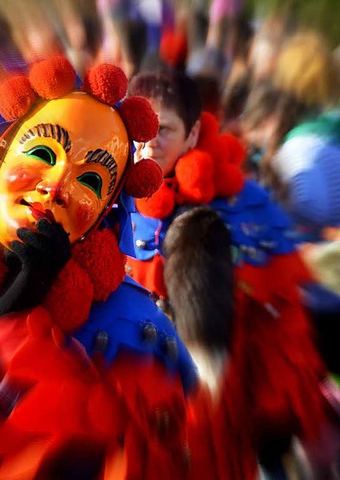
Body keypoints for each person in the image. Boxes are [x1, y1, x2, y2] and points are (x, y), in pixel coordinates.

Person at [0, 56, 197, 479]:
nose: (57, 184)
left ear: (103, 214)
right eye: (44, 152)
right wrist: (22, 292)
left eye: (91, 180)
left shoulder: (130, 330)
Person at [123, 67, 338, 477]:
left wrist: (275, 407)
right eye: (139, 128)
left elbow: (282, 315)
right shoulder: (106, 200)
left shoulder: (244, 202)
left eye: (164, 128)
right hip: (144, 400)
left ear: (191, 135)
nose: (149, 141)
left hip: (236, 400)